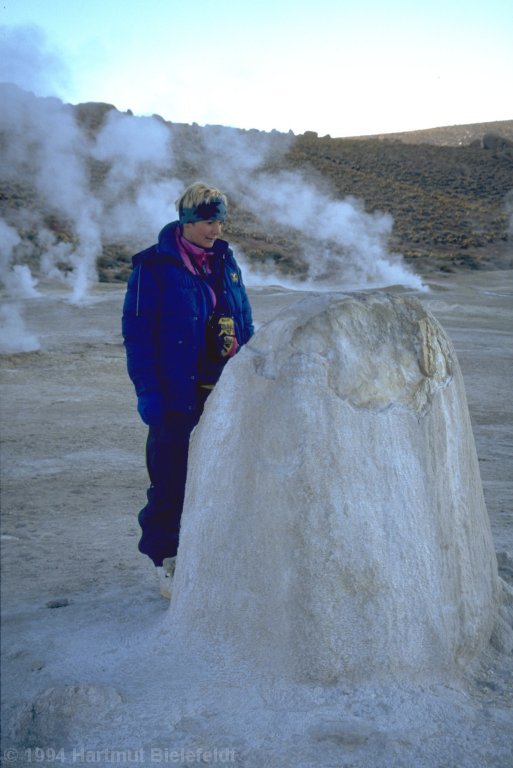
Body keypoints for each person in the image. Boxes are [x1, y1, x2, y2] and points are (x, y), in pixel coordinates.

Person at [122, 182, 254, 597]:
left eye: (221, 221)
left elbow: (244, 316)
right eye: (210, 222)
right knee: (171, 480)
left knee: (220, 477)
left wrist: (244, 349)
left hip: (224, 391)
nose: (217, 230)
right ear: (187, 221)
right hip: (177, 395)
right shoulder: (153, 267)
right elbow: (139, 337)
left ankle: (209, 558)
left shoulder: (226, 261)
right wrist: (150, 395)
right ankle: (167, 562)